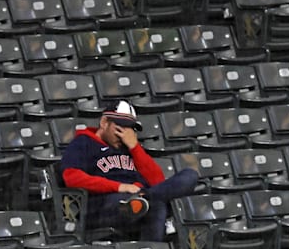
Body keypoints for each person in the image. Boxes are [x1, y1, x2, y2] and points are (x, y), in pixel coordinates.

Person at [59, 100, 199, 241]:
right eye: (119, 128)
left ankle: (142, 199)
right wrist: (120, 187)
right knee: (156, 206)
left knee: (190, 176)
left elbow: (157, 181)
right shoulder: (83, 142)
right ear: (104, 122)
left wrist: (135, 147)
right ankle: (141, 209)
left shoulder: (129, 148)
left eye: (129, 129)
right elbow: (72, 178)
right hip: (102, 205)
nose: (123, 135)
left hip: (136, 199)